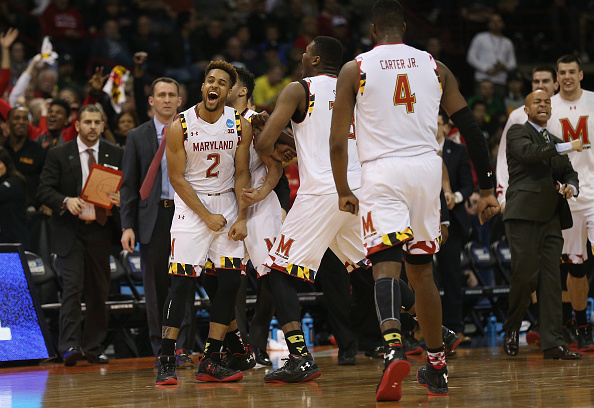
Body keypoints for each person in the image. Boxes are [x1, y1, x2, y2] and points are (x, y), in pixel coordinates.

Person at [329, 0, 499, 400]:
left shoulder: (356, 68)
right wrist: (488, 189)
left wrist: (343, 190)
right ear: (404, 28)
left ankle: (393, 349)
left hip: (382, 170)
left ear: (373, 31)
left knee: (385, 264)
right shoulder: (435, 66)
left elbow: (338, 141)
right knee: (422, 270)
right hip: (426, 169)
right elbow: (471, 129)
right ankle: (436, 366)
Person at [155, 61, 252, 385]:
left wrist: (241, 217)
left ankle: (210, 358)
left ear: (229, 92)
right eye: (210, 80)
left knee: (229, 282)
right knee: (181, 283)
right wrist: (206, 215)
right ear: (202, 87)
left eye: (222, 83)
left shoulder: (239, 125)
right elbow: (177, 178)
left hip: (226, 201)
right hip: (190, 205)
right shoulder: (180, 125)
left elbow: (241, 174)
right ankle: (166, 357)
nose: (215, 86)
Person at [37, 104, 124, 366]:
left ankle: (94, 347)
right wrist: (65, 200)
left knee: (99, 291)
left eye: (97, 122)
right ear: (77, 125)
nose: (92, 127)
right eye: (87, 122)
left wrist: (122, 199)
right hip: (69, 231)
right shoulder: (59, 154)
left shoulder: (115, 152)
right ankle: (69, 346)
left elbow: (128, 188)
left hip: (100, 229)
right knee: (73, 288)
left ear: (102, 124)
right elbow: (43, 190)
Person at [120, 76, 196, 368]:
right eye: (161, 95)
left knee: (184, 283)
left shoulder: (192, 132)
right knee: (154, 288)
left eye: (172, 95)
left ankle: (183, 349)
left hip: (184, 214)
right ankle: (161, 349)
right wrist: (127, 225)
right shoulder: (137, 136)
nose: (166, 99)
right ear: (151, 101)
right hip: (152, 217)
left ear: (180, 101)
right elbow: (128, 185)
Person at [502, 90, 582, 360]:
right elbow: (529, 153)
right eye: (537, 101)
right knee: (525, 277)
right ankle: (512, 326)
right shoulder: (517, 133)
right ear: (526, 109)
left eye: (548, 101)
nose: (544, 105)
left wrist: (571, 186)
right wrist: (567, 146)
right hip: (523, 215)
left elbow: (569, 171)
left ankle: (553, 342)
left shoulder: (556, 141)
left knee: (550, 280)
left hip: (551, 217)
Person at [225, 66, 284, 367]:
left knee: (271, 280)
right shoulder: (218, 123)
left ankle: (258, 343)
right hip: (230, 207)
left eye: (227, 83)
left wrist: (261, 194)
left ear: (242, 91)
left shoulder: (257, 122)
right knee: (230, 279)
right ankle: (240, 347)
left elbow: (276, 167)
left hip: (259, 206)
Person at [548, 55, 594, 352]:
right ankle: (582, 325)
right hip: (566, 196)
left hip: (593, 194)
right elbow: (544, 149)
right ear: (557, 76)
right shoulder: (549, 107)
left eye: (571, 72)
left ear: (580, 74)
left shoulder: (593, 101)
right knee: (575, 268)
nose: (566, 76)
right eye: (561, 72)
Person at [435, 111, 474, 342]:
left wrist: (456, 197)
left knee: (451, 274)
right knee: (424, 276)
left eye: (438, 123)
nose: (433, 126)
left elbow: (469, 185)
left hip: (452, 219)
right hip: (422, 218)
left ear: (445, 127)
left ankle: (455, 327)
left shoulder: (457, 150)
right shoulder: (419, 149)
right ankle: (420, 327)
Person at [3, 106, 46, 208]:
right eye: (17, 118)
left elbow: (45, 181)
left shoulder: (38, 151)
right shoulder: (2, 149)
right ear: (8, 123)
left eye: (25, 119)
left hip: (29, 208)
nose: (21, 122)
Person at [466, 13, 517, 97]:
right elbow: (471, 57)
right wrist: (486, 69)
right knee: (479, 106)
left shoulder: (507, 42)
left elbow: (513, 63)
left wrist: (504, 66)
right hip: (482, 79)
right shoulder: (480, 38)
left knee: (498, 107)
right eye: (493, 21)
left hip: (500, 80)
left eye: (498, 21)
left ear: (502, 24)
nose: (496, 24)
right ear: (488, 24)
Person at [0, 146, 28, 248]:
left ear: (6, 163)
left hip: (14, 242)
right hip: (3, 240)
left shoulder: (15, 182)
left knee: (10, 265)